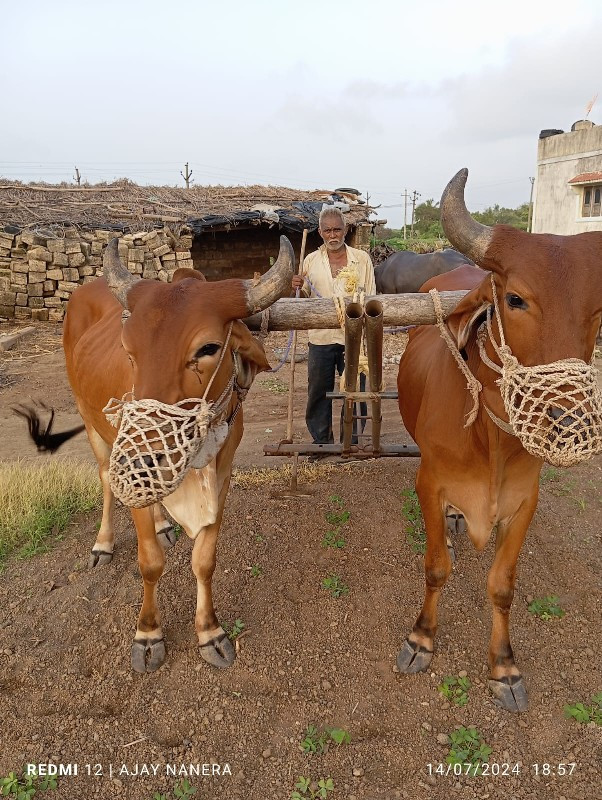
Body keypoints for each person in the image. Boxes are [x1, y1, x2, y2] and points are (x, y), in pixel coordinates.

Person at [292, 207, 376, 457]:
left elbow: (370, 296)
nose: (332, 234)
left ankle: (351, 443)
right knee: (318, 390)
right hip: (320, 337)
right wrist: (297, 285)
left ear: (346, 230)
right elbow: (304, 297)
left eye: (337, 229)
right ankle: (321, 443)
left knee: (355, 390)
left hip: (353, 338)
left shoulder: (361, 260)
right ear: (320, 232)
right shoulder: (310, 261)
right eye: (327, 230)